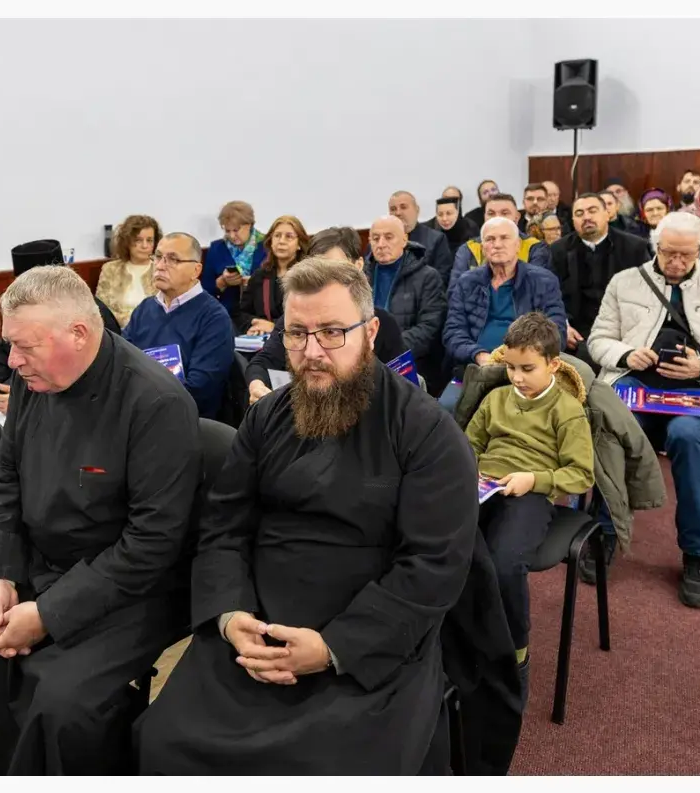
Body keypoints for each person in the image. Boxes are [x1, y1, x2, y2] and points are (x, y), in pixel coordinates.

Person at [134, 258, 479, 774]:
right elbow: (223, 527)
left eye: (333, 332)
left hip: (367, 639)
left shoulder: (426, 432)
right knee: (163, 741)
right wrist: (230, 616)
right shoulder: (266, 417)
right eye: (297, 333)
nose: (312, 352)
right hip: (255, 628)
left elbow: (433, 566)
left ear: (371, 332)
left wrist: (332, 647)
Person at [0, 265, 200, 775]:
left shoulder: (156, 403)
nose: (11, 361)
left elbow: (151, 544)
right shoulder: (35, 378)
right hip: (36, 558)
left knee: (60, 700)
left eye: (24, 346)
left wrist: (49, 614)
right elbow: (5, 479)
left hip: (127, 585)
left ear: (79, 333)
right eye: (9, 344)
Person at [588, 212, 700, 609]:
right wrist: (627, 354)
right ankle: (605, 531)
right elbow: (598, 340)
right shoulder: (625, 281)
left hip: (697, 386)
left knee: (686, 437)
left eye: (686, 254)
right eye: (669, 253)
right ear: (655, 247)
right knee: (612, 431)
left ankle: (699, 553)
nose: (677, 262)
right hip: (635, 381)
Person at [467, 312, 593, 686]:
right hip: (483, 485)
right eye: (511, 368)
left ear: (553, 364)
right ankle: (459, 638)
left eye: (527, 368)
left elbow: (581, 475)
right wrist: (469, 469)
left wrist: (534, 480)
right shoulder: (496, 398)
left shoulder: (567, 410)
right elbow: (469, 443)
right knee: (442, 544)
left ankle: (516, 652)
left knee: (505, 563)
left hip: (531, 495)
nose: (517, 377)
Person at [246, 227, 408, 404]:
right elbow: (263, 361)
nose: (312, 353)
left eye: (332, 332)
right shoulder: (294, 321)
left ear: (358, 266)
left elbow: (403, 386)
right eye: (317, 270)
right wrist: (257, 386)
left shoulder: (385, 324)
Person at [440, 218, 568, 411]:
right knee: (445, 410)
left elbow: (556, 333)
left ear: (518, 246)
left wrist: (518, 360)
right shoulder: (466, 282)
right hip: (475, 367)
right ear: (483, 248)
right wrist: (479, 355)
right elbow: (452, 332)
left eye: (504, 238)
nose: (497, 244)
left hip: (526, 368)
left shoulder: (543, 280)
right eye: (490, 239)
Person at [123, 232, 235, 419]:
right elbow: (122, 363)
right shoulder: (145, 308)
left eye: (173, 260)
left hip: (184, 419)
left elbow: (200, 389)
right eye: (158, 257)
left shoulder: (214, 318)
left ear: (196, 270)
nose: (160, 266)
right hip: (138, 412)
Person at [549, 194, 653, 370]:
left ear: (607, 214)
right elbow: (550, 295)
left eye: (592, 211)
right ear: (573, 220)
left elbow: (648, 295)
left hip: (623, 332)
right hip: (576, 334)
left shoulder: (635, 248)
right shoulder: (557, 250)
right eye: (579, 213)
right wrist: (562, 325)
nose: (586, 217)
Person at [363, 216, 447, 368]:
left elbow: (429, 327)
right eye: (375, 238)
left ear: (404, 240)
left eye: (389, 237)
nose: (381, 244)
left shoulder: (427, 277)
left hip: (409, 360)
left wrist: (390, 349)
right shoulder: (361, 276)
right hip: (366, 357)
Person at [448, 194, 551, 290]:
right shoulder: (468, 249)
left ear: (517, 218)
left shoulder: (535, 247)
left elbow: (536, 288)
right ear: (484, 217)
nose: (497, 218)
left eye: (504, 213)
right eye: (491, 213)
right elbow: (456, 291)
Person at [234, 214, 308, 335]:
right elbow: (242, 314)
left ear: (299, 244)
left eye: (289, 237)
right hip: (261, 338)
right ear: (271, 242)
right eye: (277, 236)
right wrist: (255, 323)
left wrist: (273, 326)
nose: (281, 241)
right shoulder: (259, 276)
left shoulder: (307, 277)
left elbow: (308, 316)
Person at [95, 214, 161, 328]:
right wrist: (129, 322)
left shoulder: (162, 269)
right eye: (138, 240)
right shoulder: (110, 269)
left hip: (153, 330)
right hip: (117, 331)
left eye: (149, 240)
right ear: (127, 242)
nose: (145, 246)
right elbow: (101, 309)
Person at [203, 200, 266, 314]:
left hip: (262, 311)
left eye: (236, 230)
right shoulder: (216, 248)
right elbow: (205, 291)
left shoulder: (268, 246)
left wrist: (254, 283)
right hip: (227, 313)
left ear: (249, 224)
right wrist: (222, 282)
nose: (232, 236)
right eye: (227, 231)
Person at [388, 191, 453, 286]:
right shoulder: (381, 242)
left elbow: (441, 279)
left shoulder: (436, 239)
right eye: (393, 209)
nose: (398, 213)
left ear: (417, 210)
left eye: (403, 207)